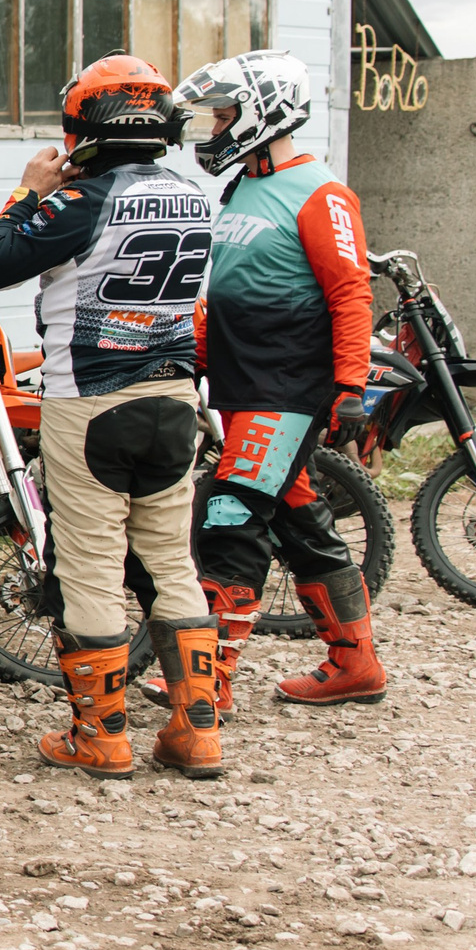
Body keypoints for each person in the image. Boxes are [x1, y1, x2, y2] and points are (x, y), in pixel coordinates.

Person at [0, 57, 219, 780]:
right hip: (175, 396)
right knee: (171, 559)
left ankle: (102, 733)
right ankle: (196, 729)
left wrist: (29, 189)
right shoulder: (196, 196)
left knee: (89, 565)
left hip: (90, 398)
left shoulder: (84, 199)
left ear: (89, 124)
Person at [176, 49, 387, 708]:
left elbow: (352, 295)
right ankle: (356, 664)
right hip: (243, 382)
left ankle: (208, 679)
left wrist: (351, 389)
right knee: (299, 520)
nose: (214, 129)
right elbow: (227, 287)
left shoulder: (322, 193)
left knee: (229, 514)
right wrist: (198, 354)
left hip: (288, 385)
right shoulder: (242, 185)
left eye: (224, 116)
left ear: (262, 115)